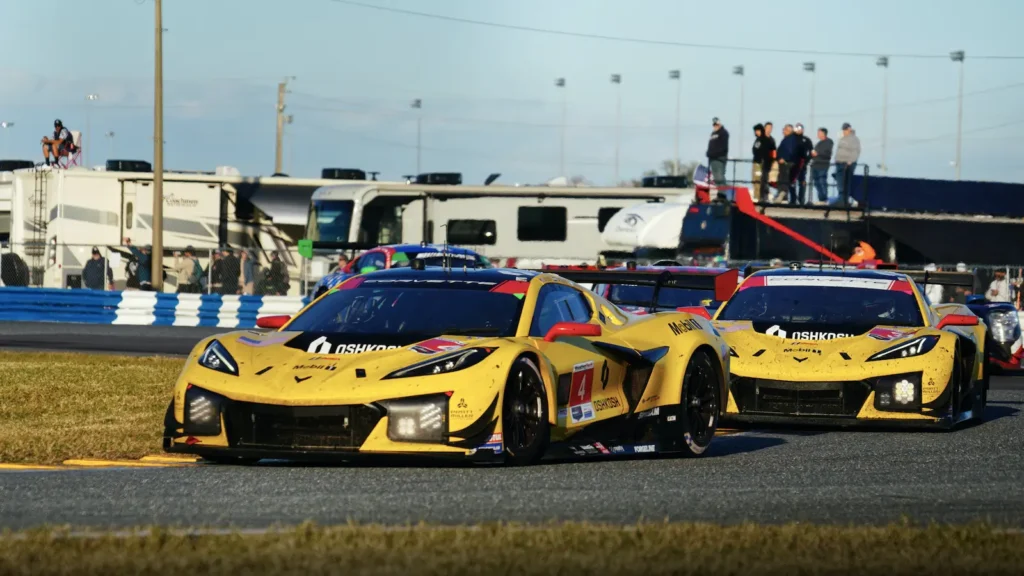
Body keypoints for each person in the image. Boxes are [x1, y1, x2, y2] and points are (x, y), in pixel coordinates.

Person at [833, 122, 861, 205]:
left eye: (846, 129)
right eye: (844, 130)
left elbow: (856, 151)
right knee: (840, 182)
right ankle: (841, 199)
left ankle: (843, 200)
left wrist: (851, 161)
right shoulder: (842, 138)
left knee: (845, 182)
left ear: (849, 129)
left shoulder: (854, 139)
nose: (844, 131)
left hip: (847, 164)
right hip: (840, 163)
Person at [774, 124, 801, 204]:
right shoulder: (787, 139)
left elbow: (790, 151)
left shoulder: (791, 139)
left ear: (788, 130)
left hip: (787, 163)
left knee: (784, 178)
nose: (783, 131)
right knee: (782, 178)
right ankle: (782, 195)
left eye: (784, 129)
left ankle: (783, 195)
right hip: (784, 162)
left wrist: (784, 159)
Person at [810, 128, 834, 204]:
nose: (818, 134)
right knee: (817, 182)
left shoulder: (828, 142)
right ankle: (821, 199)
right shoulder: (819, 143)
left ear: (823, 133)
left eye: (819, 133)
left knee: (822, 181)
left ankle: (824, 198)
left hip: (822, 165)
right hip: (815, 165)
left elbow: (827, 153)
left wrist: (818, 153)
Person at [794, 124, 814, 205]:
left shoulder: (806, 140)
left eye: (800, 128)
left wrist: (806, 160)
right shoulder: (791, 139)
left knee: (802, 182)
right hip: (792, 165)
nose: (799, 130)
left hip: (802, 165)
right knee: (791, 182)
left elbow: (811, 152)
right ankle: (792, 199)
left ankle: (801, 199)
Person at [706, 117, 729, 186]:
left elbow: (723, 147)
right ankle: (720, 193)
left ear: (719, 124)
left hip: (719, 158)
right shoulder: (713, 133)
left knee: (719, 177)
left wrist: (715, 153)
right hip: (713, 158)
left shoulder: (723, 133)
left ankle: (723, 194)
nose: (715, 126)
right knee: (716, 178)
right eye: (714, 125)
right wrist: (709, 153)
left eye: (717, 124)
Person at [759, 122, 777, 202]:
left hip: (769, 163)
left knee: (767, 180)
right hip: (761, 162)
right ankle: (761, 197)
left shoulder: (772, 140)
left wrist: (773, 160)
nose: (769, 130)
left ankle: (765, 196)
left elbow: (774, 151)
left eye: (771, 128)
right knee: (761, 180)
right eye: (768, 128)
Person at [751, 124, 768, 200]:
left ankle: (757, 196)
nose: (756, 132)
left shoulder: (763, 140)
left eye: (757, 131)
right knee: (755, 179)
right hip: (756, 162)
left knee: (757, 179)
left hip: (759, 162)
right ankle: (756, 195)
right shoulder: (758, 139)